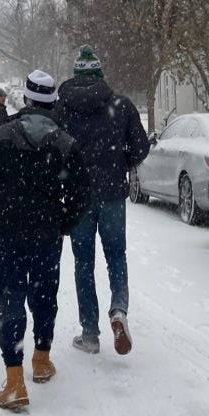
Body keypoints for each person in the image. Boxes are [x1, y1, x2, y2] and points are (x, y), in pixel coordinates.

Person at [0, 70, 89, 411]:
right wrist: (63, 222)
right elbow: (81, 193)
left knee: (10, 299)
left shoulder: (1, 136)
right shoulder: (64, 142)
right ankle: (41, 357)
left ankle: (14, 380)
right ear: (53, 102)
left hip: (8, 233)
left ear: (25, 99)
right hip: (47, 233)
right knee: (44, 294)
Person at [57, 44, 149, 356]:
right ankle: (119, 310)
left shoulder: (62, 109)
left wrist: (66, 175)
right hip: (112, 195)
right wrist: (121, 163)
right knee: (116, 256)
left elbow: (52, 151)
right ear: (100, 73)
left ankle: (89, 333)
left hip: (78, 197)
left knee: (83, 263)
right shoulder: (121, 106)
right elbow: (140, 147)